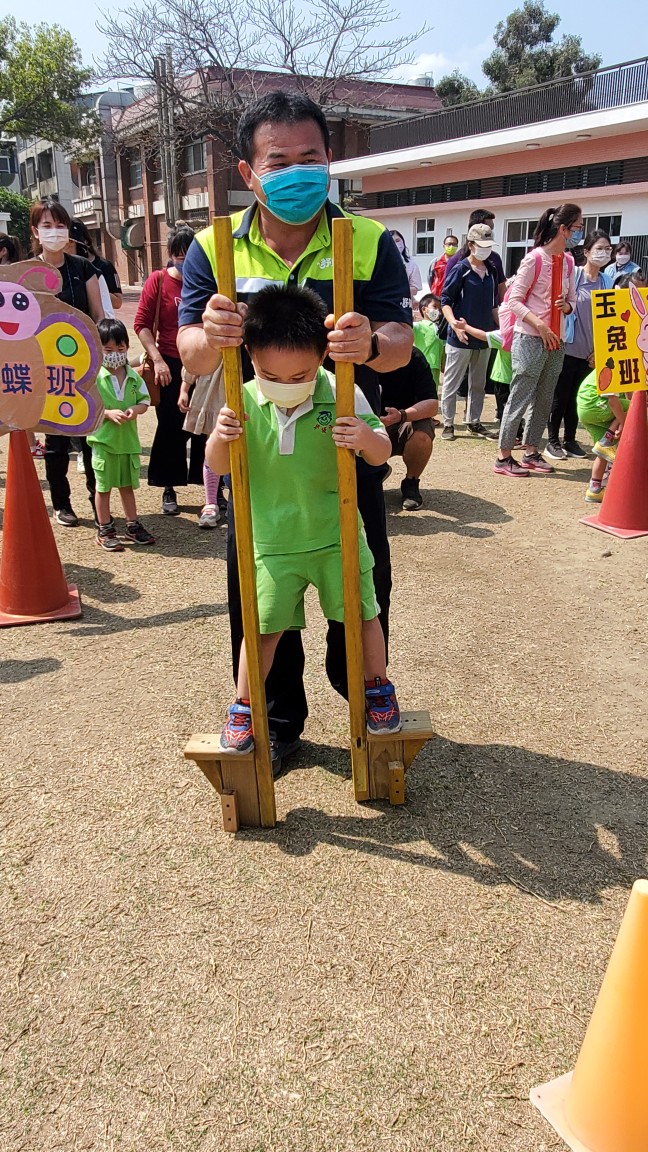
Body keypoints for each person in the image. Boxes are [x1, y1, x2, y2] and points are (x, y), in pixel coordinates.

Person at [177, 89, 412, 773]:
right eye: (279, 162)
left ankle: (364, 695)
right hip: (261, 464)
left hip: (340, 450)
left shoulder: (365, 240)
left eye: (311, 157)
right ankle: (274, 723)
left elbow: (401, 343)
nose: (297, 173)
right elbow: (190, 348)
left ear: (330, 159)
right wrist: (209, 333)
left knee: (361, 585)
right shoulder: (214, 246)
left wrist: (373, 342)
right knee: (258, 596)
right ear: (249, 173)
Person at [206, 284, 400, 751]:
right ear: (249, 355)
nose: (286, 387)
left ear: (323, 356)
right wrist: (219, 437)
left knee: (363, 615)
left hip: (337, 537)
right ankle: (244, 706)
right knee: (262, 628)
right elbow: (217, 465)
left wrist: (363, 437)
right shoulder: (241, 397)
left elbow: (381, 451)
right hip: (273, 542)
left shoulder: (343, 391)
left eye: (301, 376)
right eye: (271, 375)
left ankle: (378, 690)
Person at [30, 198, 104, 525]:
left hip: (83, 367)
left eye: (60, 225)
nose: (54, 232)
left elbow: (98, 315)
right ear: (35, 231)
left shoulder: (82, 268)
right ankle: (62, 504)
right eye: (46, 225)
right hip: (46, 369)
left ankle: (97, 501)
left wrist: (103, 354)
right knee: (56, 441)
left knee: (90, 437)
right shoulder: (27, 272)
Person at [494, 203, 580, 477]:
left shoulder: (568, 262)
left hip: (557, 339)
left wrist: (567, 307)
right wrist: (540, 324)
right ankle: (503, 456)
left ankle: (531, 451)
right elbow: (513, 300)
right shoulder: (534, 259)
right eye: (577, 228)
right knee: (520, 396)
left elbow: (572, 300)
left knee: (544, 398)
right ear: (563, 229)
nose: (578, 234)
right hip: (530, 337)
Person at [135, 222, 205, 516]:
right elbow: (141, 324)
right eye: (178, 256)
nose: (183, 261)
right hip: (169, 362)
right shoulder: (159, 280)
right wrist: (158, 359)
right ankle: (168, 486)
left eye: (189, 256)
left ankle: (211, 489)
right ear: (170, 255)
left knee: (205, 424)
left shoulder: (205, 279)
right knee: (170, 426)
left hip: (204, 360)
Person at [545, 230, 613, 461]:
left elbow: (610, 320)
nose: (604, 253)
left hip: (591, 352)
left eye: (608, 249)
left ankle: (570, 440)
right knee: (560, 396)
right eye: (599, 249)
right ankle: (552, 441)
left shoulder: (607, 282)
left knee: (577, 396)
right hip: (567, 347)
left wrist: (601, 350)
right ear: (586, 252)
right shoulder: (573, 275)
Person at [88, 319, 155, 551]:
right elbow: (87, 406)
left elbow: (144, 401)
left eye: (120, 348)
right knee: (103, 487)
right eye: (108, 350)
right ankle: (105, 528)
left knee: (127, 486)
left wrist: (135, 409)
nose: (115, 354)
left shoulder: (134, 377)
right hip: (103, 443)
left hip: (127, 443)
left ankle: (132, 524)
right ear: (98, 349)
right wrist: (107, 413)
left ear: (127, 347)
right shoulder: (93, 377)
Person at [440, 223, 499, 441]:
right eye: (481, 245)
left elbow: (494, 305)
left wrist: (502, 329)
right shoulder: (460, 269)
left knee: (478, 384)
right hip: (460, 337)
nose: (485, 250)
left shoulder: (491, 271)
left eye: (488, 245)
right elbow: (445, 301)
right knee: (452, 382)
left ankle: (474, 421)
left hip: (483, 337)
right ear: (471, 245)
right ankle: (448, 423)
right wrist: (454, 324)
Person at [379, 347, 438, 510]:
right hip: (366, 424)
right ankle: (376, 470)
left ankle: (411, 482)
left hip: (402, 421)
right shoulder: (358, 355)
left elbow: (432, 404)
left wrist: (401, 415)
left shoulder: (414, 357)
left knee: (422, 433)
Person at [576, 369, 630, 503]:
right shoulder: (613, 365)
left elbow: (629, 392)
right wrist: (624, 423)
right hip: (594, 405)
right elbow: (613, 401)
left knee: (603, 453)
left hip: (585, 409)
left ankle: (594, 490)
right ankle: (608, 438)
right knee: (637, 408)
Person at [444, 209, 507, 304]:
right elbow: (447, 298)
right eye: (487, 228)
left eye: (491, 229)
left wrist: (503, 309)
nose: (489, 232)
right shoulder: (456, 263)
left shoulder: (494, 260)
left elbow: (501, 288)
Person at [69, 220, 122, 314]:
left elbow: (117, 302)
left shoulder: (104, 265)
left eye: (70, 242)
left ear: (85, 242)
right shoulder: (61, 266)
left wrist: (92, 286)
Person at [413, 292, 443, 389]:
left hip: (436, 366)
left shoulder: (439, 329)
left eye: (439, 309)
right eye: (434, 307)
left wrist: (443, 363)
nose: (437, 311)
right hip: (423, 365)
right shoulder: (419, 326)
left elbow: (442, 347)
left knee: (433, 390)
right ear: (424, 309)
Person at [389, 230, 422, 298]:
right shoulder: (380, 263)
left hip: (404, 301)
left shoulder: (411, 265)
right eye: (392, 242)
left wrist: (399, 290)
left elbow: (415, 288)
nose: (396, 244)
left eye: (397, 240)